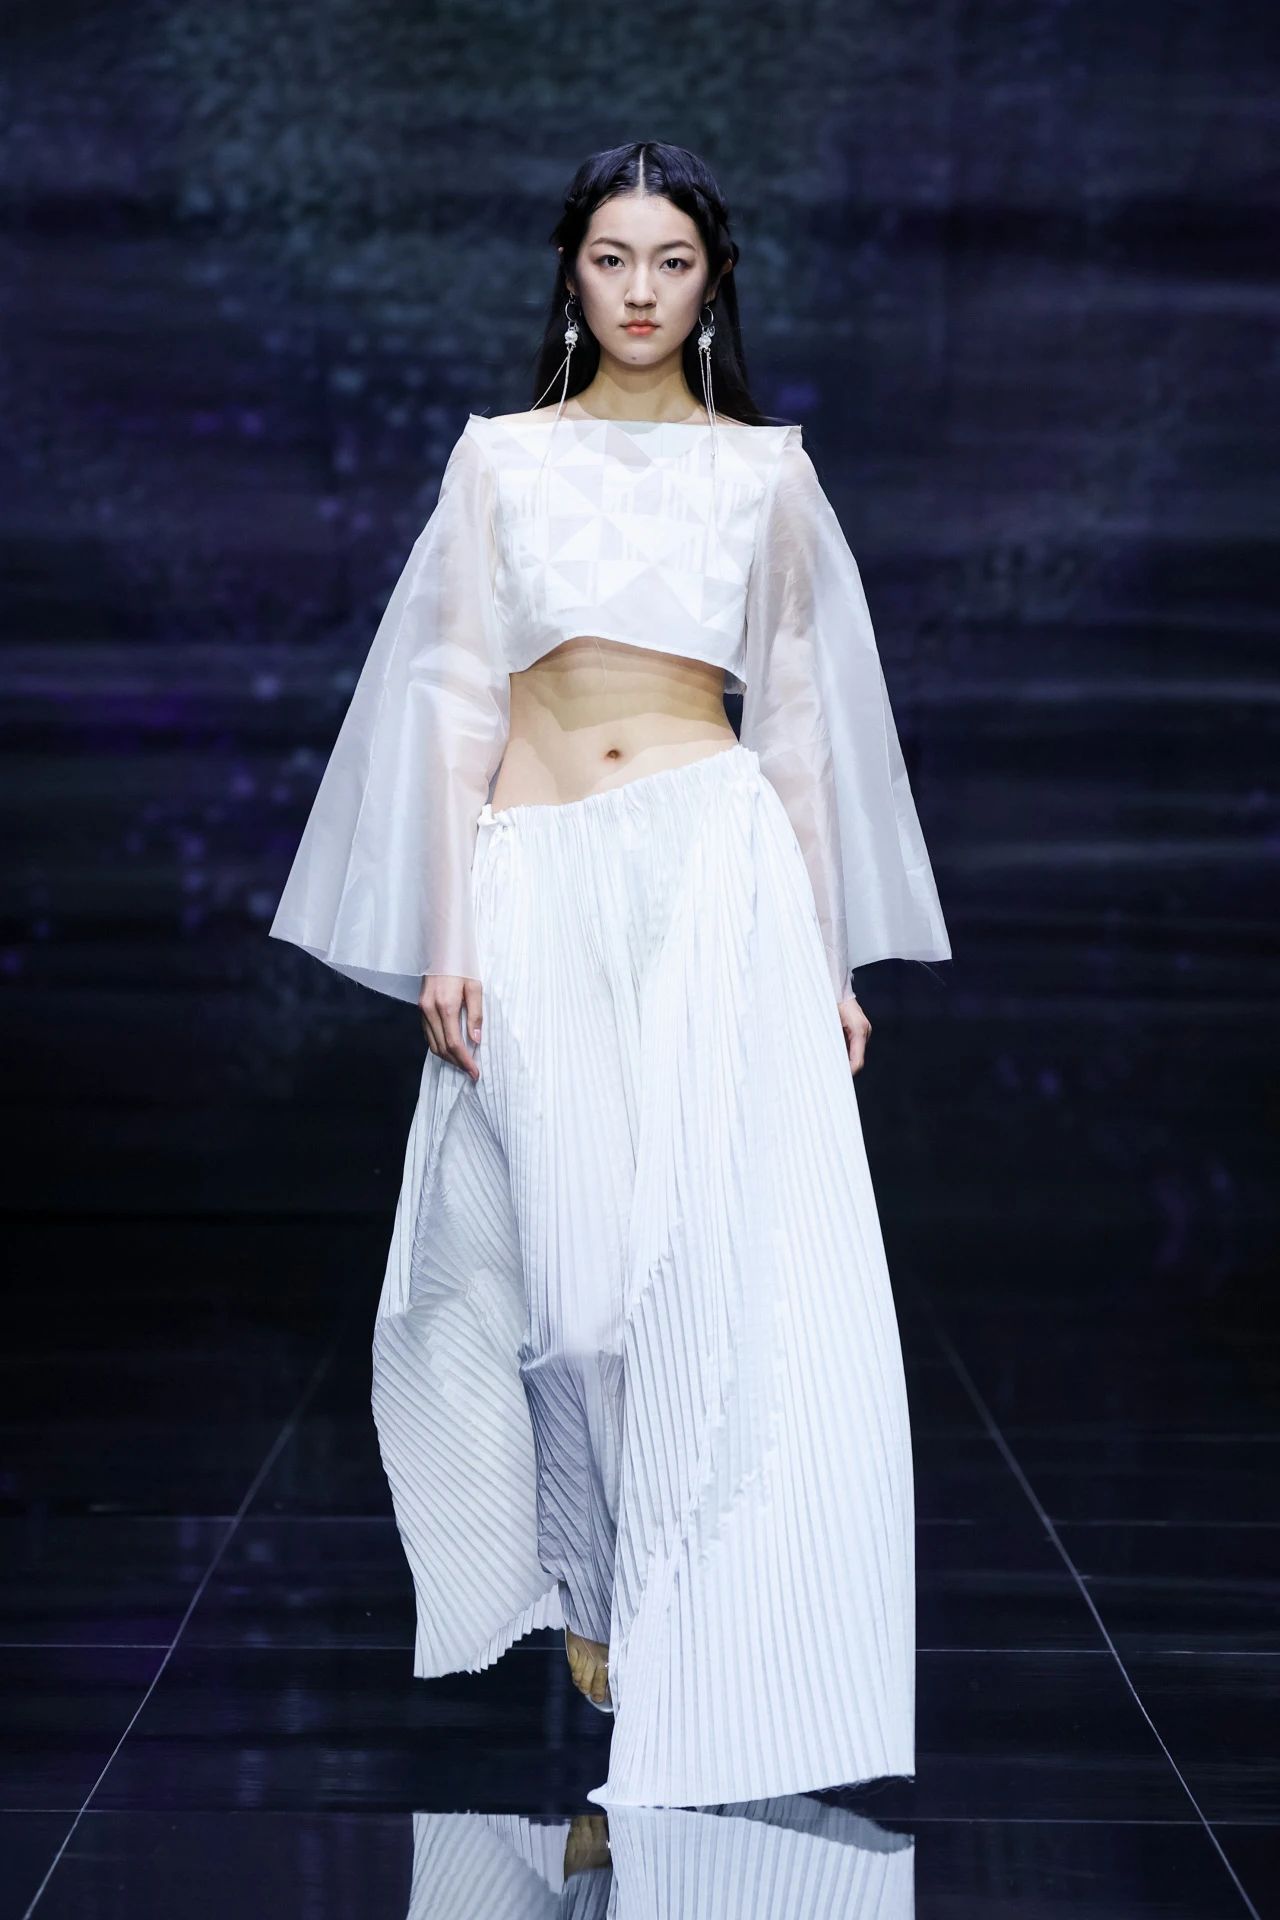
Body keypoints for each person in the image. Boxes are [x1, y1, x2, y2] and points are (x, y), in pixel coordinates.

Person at [269, 140, 951, 1809]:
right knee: (572, 1291)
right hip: (540, 868)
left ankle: (668, 1624)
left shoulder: (766, 474)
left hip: (715, 869)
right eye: (612, 258)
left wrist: (830, 960)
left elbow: (799, 729)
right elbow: (449, 702)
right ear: (570, 276)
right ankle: (584, 1568)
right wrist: (446, 935)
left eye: (672, 262)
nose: (642, 291)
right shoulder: (499, 459)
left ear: (712, 285)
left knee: (696, 1275)